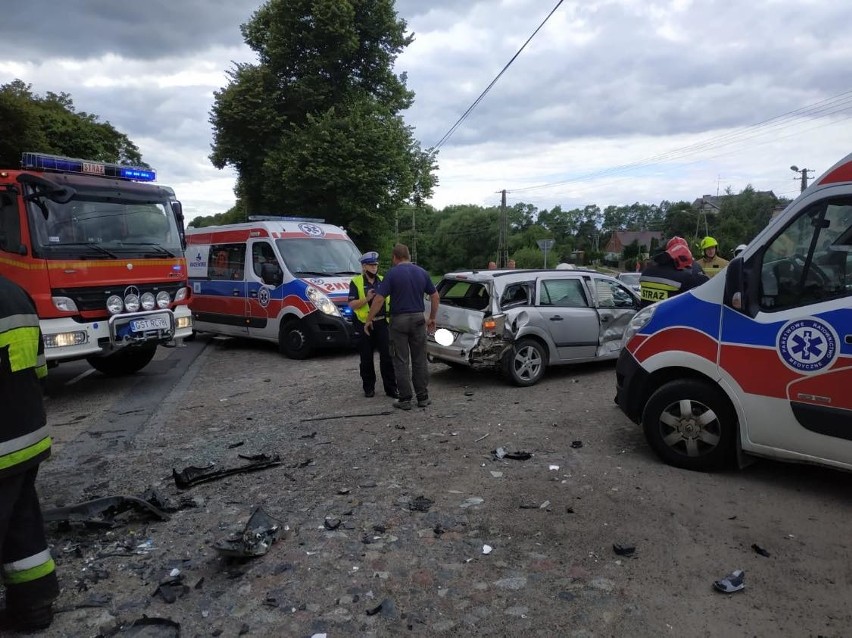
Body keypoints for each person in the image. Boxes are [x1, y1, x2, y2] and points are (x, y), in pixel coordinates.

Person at [0, 275, 59, 632]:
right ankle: (33, 608)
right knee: (23, 527)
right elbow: (39, 367)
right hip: (28, 437)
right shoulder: (15, 292)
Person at [364, 244, 439, 410]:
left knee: (400, 360)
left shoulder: (392, 274)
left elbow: (379, 299)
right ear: (409, 256)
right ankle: (423, 397)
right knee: (419, 359)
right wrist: (432, 317)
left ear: (394, 258)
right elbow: (435, 296)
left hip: (399, 321)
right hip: (419, 319)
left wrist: (369, 319)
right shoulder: (422, 272)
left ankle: (405, 399)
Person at [348, 251, 397, 399]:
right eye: (371, 265)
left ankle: (391, 388)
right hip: (363, 324)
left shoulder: (383, 280)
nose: (374, 267)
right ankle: (369, 388)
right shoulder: (356, 282)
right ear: (364, 267)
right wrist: (366, 298)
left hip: (382, 322)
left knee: (387, 357)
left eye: (375, 264)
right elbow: (351, 304)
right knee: (366, 358)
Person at [639, 236, 709, 308]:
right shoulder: (687, 272)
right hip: (674, 316)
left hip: (646, 316)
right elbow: (706, 291)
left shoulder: (647, 270)